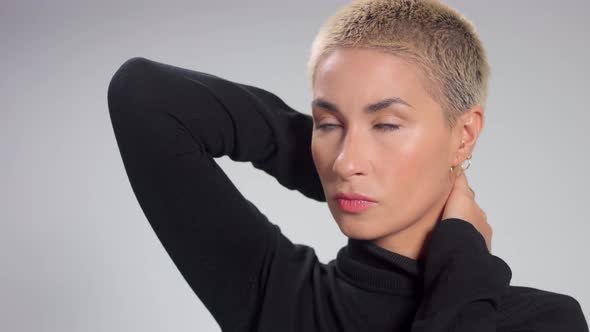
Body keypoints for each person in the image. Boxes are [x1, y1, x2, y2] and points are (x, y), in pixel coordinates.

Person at [106, 0, 588, 331]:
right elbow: (145, 97)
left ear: (463, 135)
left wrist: (461, 263)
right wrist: (326, 167)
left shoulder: (546, 322)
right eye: (329, 124)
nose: (348, 160)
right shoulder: (281, 298)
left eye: (386, 124)